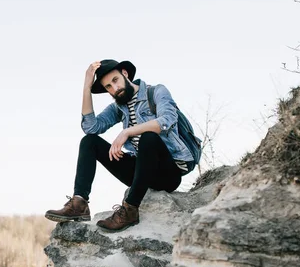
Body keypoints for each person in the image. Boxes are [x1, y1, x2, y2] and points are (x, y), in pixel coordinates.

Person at [45, 59, 194, 231]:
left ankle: (130, 209)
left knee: (149, 137)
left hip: (168, 173)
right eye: (108, 86)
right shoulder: (118, 107)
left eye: (115, 81)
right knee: (89, 141)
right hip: (141, 172)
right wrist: (87, 88)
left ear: (125, 73)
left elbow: (167, 120)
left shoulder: (156, 92)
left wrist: (127, 132)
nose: (114, 89)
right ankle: (79, 204)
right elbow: (91, 127)